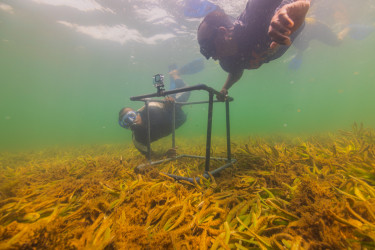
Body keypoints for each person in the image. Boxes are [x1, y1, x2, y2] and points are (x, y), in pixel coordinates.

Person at [197, 0, 311, 100]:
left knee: (308, 36)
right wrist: (224, 88)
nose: (212, 57)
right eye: (205, 52)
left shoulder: (255, 14)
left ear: (223, 32)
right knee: (302, 46)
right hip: (287, 43)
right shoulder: (226, 61)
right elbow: (236, 71)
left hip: (297, 21)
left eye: (208, 48)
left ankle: (312, 25)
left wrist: (302, 4)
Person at [118, 59, 204, 156]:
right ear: (125, 125)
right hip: (176, 122)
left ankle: (175, 75)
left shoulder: (152, 108)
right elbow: (151, 155)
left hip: (174, 112)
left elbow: (165, 102)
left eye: (132, 115)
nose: (132, 120)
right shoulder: (138, 140)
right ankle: (172, 72)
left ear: (136, 113)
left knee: (186, 91)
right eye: (127, 120)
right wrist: (164, 154)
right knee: (174, 91)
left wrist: (169, 104)